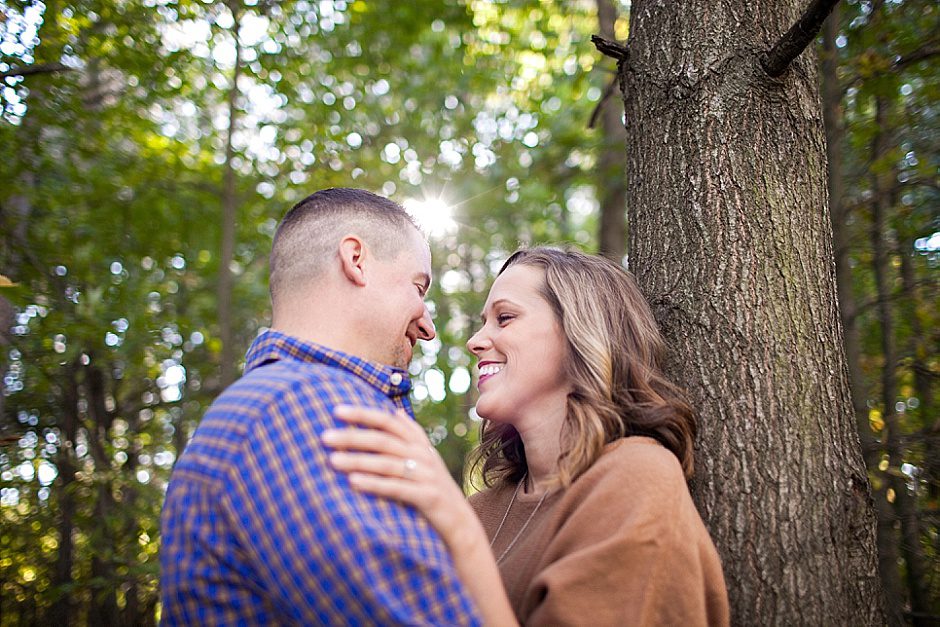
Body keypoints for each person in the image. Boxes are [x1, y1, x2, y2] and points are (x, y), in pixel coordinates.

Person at [324, 247, 730, 625]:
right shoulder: (483, 508)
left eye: (505, 318)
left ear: (579, 333)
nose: (475, 341)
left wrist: (458, 531)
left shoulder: (637, 476)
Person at [159, 188, 480, 625]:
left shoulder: (280, 406)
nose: (426, 324)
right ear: (356, 260)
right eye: (417, 287)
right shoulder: (307, 411)